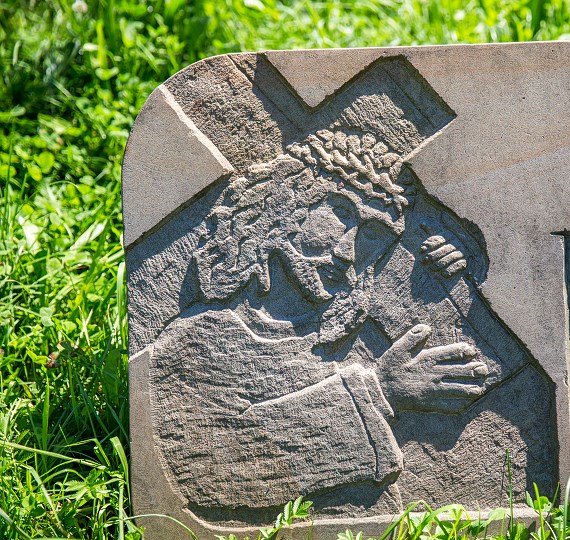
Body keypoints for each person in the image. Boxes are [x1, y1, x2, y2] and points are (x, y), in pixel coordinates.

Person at [150, 129, 489, 519]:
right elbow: (208, 467)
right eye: (340, 213)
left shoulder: (343, 336)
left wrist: (464, 263)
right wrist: (380, 392)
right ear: (285, 203)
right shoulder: (196, 340)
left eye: (373, 236)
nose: (347, 252)